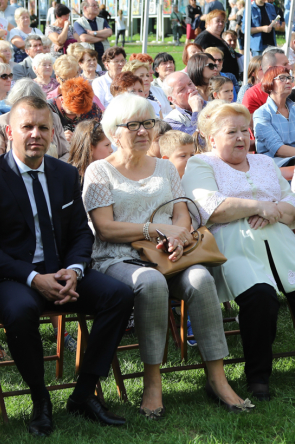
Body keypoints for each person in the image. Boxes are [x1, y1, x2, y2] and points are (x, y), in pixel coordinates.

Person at [0, 96, 135, 435]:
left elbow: (81, 232)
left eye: (43, 127)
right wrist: (33, 278)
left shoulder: (64, 174)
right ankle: (40, 398)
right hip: (8, 277)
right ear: (9, 132)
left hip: (61, 270)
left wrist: (74, 270)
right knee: (21, 309)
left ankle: (84, 393)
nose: (36, 134)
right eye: (27, 127)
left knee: (118, 295)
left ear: (53, 132)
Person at [82, 95, 247, 416]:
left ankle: (217, 378)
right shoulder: (99, 171)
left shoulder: (165, 167)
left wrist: (179, 237)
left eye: (148, 123)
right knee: (151, 282)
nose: (143, 131)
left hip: (170, 255)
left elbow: (181, 214)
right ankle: (152, 381)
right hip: (118, 258)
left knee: (201, 278)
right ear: (114, 132)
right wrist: (155, 230)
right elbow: (105, 229)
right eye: (133, 125)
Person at [183, 101, 295, 399]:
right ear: (212, 138)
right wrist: (261, 206)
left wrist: (271, 210)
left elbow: (291, 204)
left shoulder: (263, 162)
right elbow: (211, 207)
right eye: (231, 132)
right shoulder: (201, 164)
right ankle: (258, 375)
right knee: (260, 295)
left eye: (244, 131)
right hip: (232, 244)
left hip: (280, 240)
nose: (241, 137)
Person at [252, 65, 295, 173]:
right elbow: (277, 148)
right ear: (270, 83)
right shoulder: (262, 113)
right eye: (282, 78)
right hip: (273, 165)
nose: (288, 81)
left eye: (289, 78)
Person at [194, 9, 241, 79]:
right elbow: (198, 60)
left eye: (223, 21)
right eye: (217, 21)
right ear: (209, 22)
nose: (221, 23)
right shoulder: (203, 38)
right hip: (217, 79)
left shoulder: (219, 37)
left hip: (229, 78)